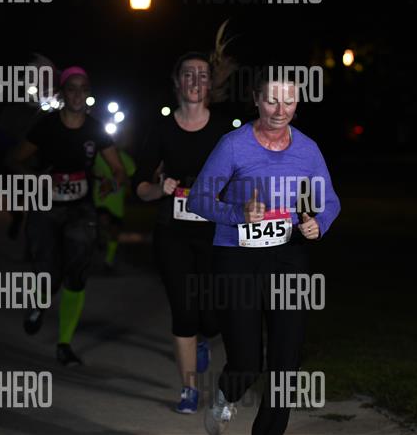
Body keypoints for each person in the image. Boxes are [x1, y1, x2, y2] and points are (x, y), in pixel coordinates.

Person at [187, 65, 341, 435]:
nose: (280, 109)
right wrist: (237, 213)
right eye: (272, 100)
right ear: (256, 100)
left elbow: (330, 201)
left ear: (298, 103)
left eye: (289, 101)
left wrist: (318, 223)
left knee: (286, 360)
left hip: (287, 256)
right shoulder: (234, 145)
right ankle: (225, 397)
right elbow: (198, 199)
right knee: (246, 361)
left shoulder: (307, 149)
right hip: (236, 255)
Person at [134, 52, 230, 413]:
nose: (195, 81)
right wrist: (159, 188)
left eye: (202, 75)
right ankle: (189, 389)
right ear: (177, 81)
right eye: (188, 74)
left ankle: (204, 339)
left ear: (210, 83)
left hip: (214, 234)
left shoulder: (223, 130)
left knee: (212, 318)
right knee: (184, 312)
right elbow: (139, 186)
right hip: (172, 233)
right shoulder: (161, 129)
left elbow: (243, 176)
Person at [11, 66, 127, 366]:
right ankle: (38, 304)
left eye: (83, 89)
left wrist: (111, 183)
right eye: (72, 89)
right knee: (48, 271)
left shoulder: (95, 129)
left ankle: (64, 344)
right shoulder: (46, 126)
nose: (78, 94)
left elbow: (118, 170)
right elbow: (15, 160)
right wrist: (38, 178)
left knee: (76, 274)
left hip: (81, 209)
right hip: (45, 208)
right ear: (63, 93)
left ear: (89, 94)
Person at [93, 141, 136, 272]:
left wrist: (117, 182)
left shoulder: (126, 159)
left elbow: (131, 180)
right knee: (101, 222)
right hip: (99, 200)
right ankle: (98, 250)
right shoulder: (97, 155)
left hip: (116, 203)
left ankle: (109, 260)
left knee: (114, 232)